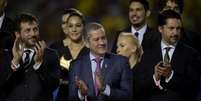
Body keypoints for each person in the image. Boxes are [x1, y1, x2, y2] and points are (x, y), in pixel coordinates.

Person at [134, 10, 201, 101]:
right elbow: (139, 86)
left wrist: (170, 75)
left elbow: (193, 87)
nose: (176, 33)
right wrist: (155, 78)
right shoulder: (147, 54)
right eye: (171, 28)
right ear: (160, 29)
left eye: (178, 29)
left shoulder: (191, 54)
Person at [0, 13, 60, 101]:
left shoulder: (50, 55)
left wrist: (39, 65)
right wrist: (15, 62)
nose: (33, 34)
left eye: (35, 29)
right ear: (17, 34)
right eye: (27, 30)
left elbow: (53, 86)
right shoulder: (6, 55)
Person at [68, 22, 133, 101]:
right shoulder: (76, 65)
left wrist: (105, 89)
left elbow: (128, 96)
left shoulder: (121, 62)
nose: (102, 42)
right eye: (96, 39)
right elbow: (71, 98)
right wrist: (81, 94)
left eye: (103, 38)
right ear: (87, 43)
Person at [50, 9, 89, 101]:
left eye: (77, 25)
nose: (73, 29)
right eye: (68, 24)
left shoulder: (91, 50)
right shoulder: (56, 49)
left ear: (83, 25)